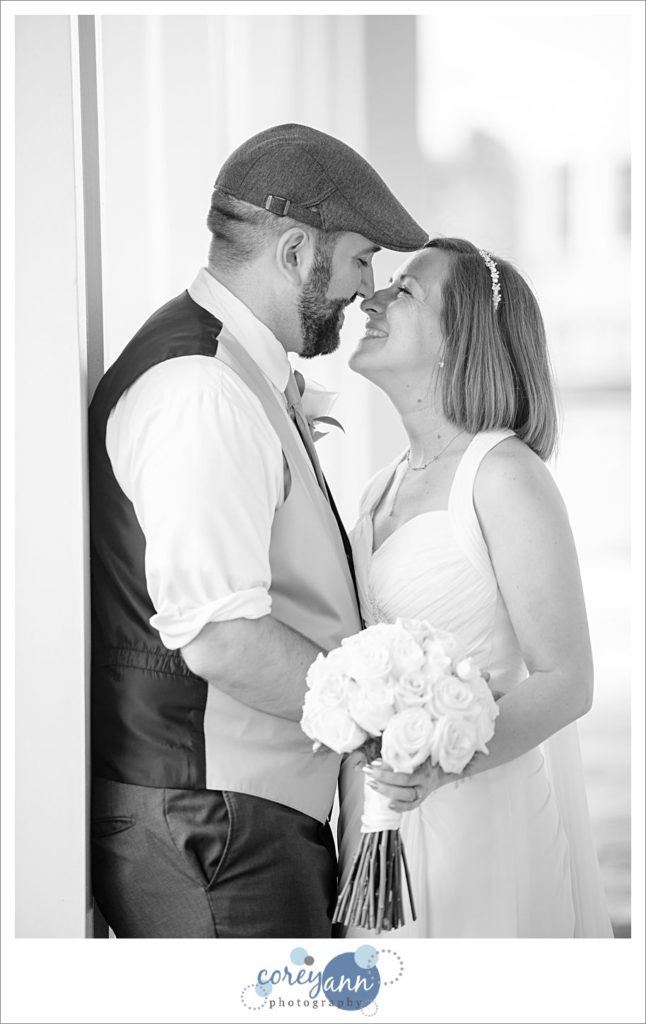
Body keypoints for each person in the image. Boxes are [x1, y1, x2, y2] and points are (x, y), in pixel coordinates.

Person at [88, 123, 428, 939]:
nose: (365, 288)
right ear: (295, 252)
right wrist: (379, 718)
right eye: (359, 260)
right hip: (213, 828)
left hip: (233, 815)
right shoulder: (202, 390)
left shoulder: (234, 373)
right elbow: (222, 638)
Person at [338, 238, 613, 938]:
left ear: (458, 339)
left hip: (484, 830)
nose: (370, 299)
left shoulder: (504, 475)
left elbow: (567, 680)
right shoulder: (379, 488)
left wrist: (439, 766)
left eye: (404, 290)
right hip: (381, 822)